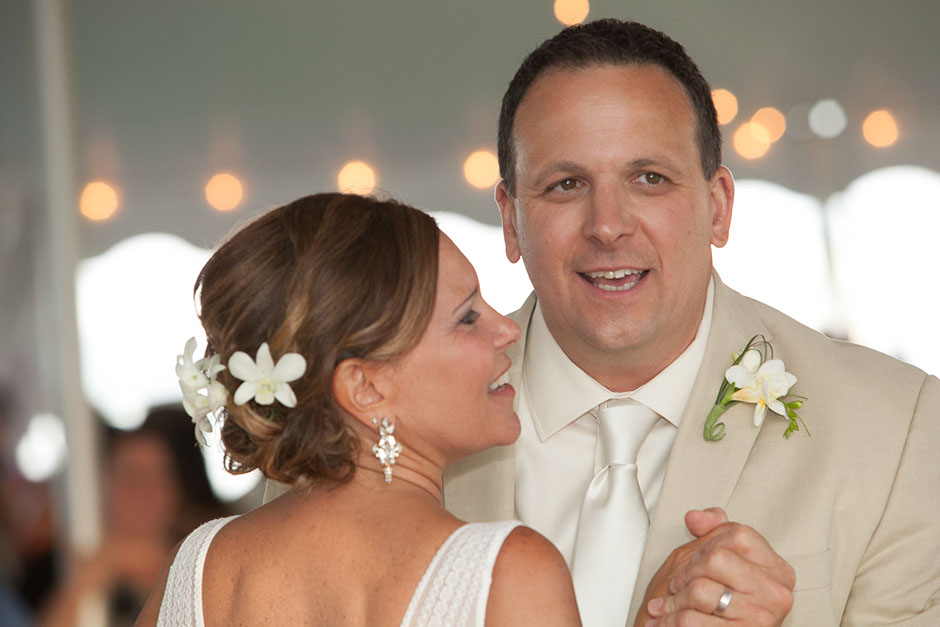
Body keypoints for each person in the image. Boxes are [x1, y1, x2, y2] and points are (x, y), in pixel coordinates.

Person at [441, 18, 940, 626]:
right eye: (566, 184)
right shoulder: (401, 426)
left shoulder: (898, 426)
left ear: (718, 207)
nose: (607, 225)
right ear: (511, 220)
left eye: (649, 179)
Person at [138, 193, 581, 625]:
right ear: (365, 388)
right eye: (467, 318)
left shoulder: (198, 571)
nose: (507, 329)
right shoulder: (506, 574)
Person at [39, 406, 229, 627]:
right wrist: (88, 578)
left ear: (176, 490)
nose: (144, 491)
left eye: (158, 476)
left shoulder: (209, 564)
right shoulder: (64, 562)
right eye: (131, 476)